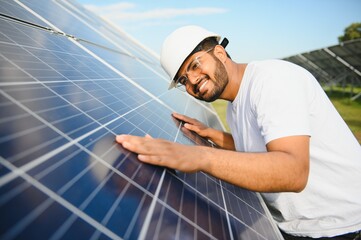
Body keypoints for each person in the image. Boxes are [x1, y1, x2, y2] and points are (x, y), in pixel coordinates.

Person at [116, 25, 361, 239]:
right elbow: (259, 148)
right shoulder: (236, 105)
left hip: (339, 228)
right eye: (182, 80)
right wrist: (211, 134)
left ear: (220, 53)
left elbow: (293, 171)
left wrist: (199, 157)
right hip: (302, 227)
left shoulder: (272, 81)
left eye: (195, 64)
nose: (192, 82)